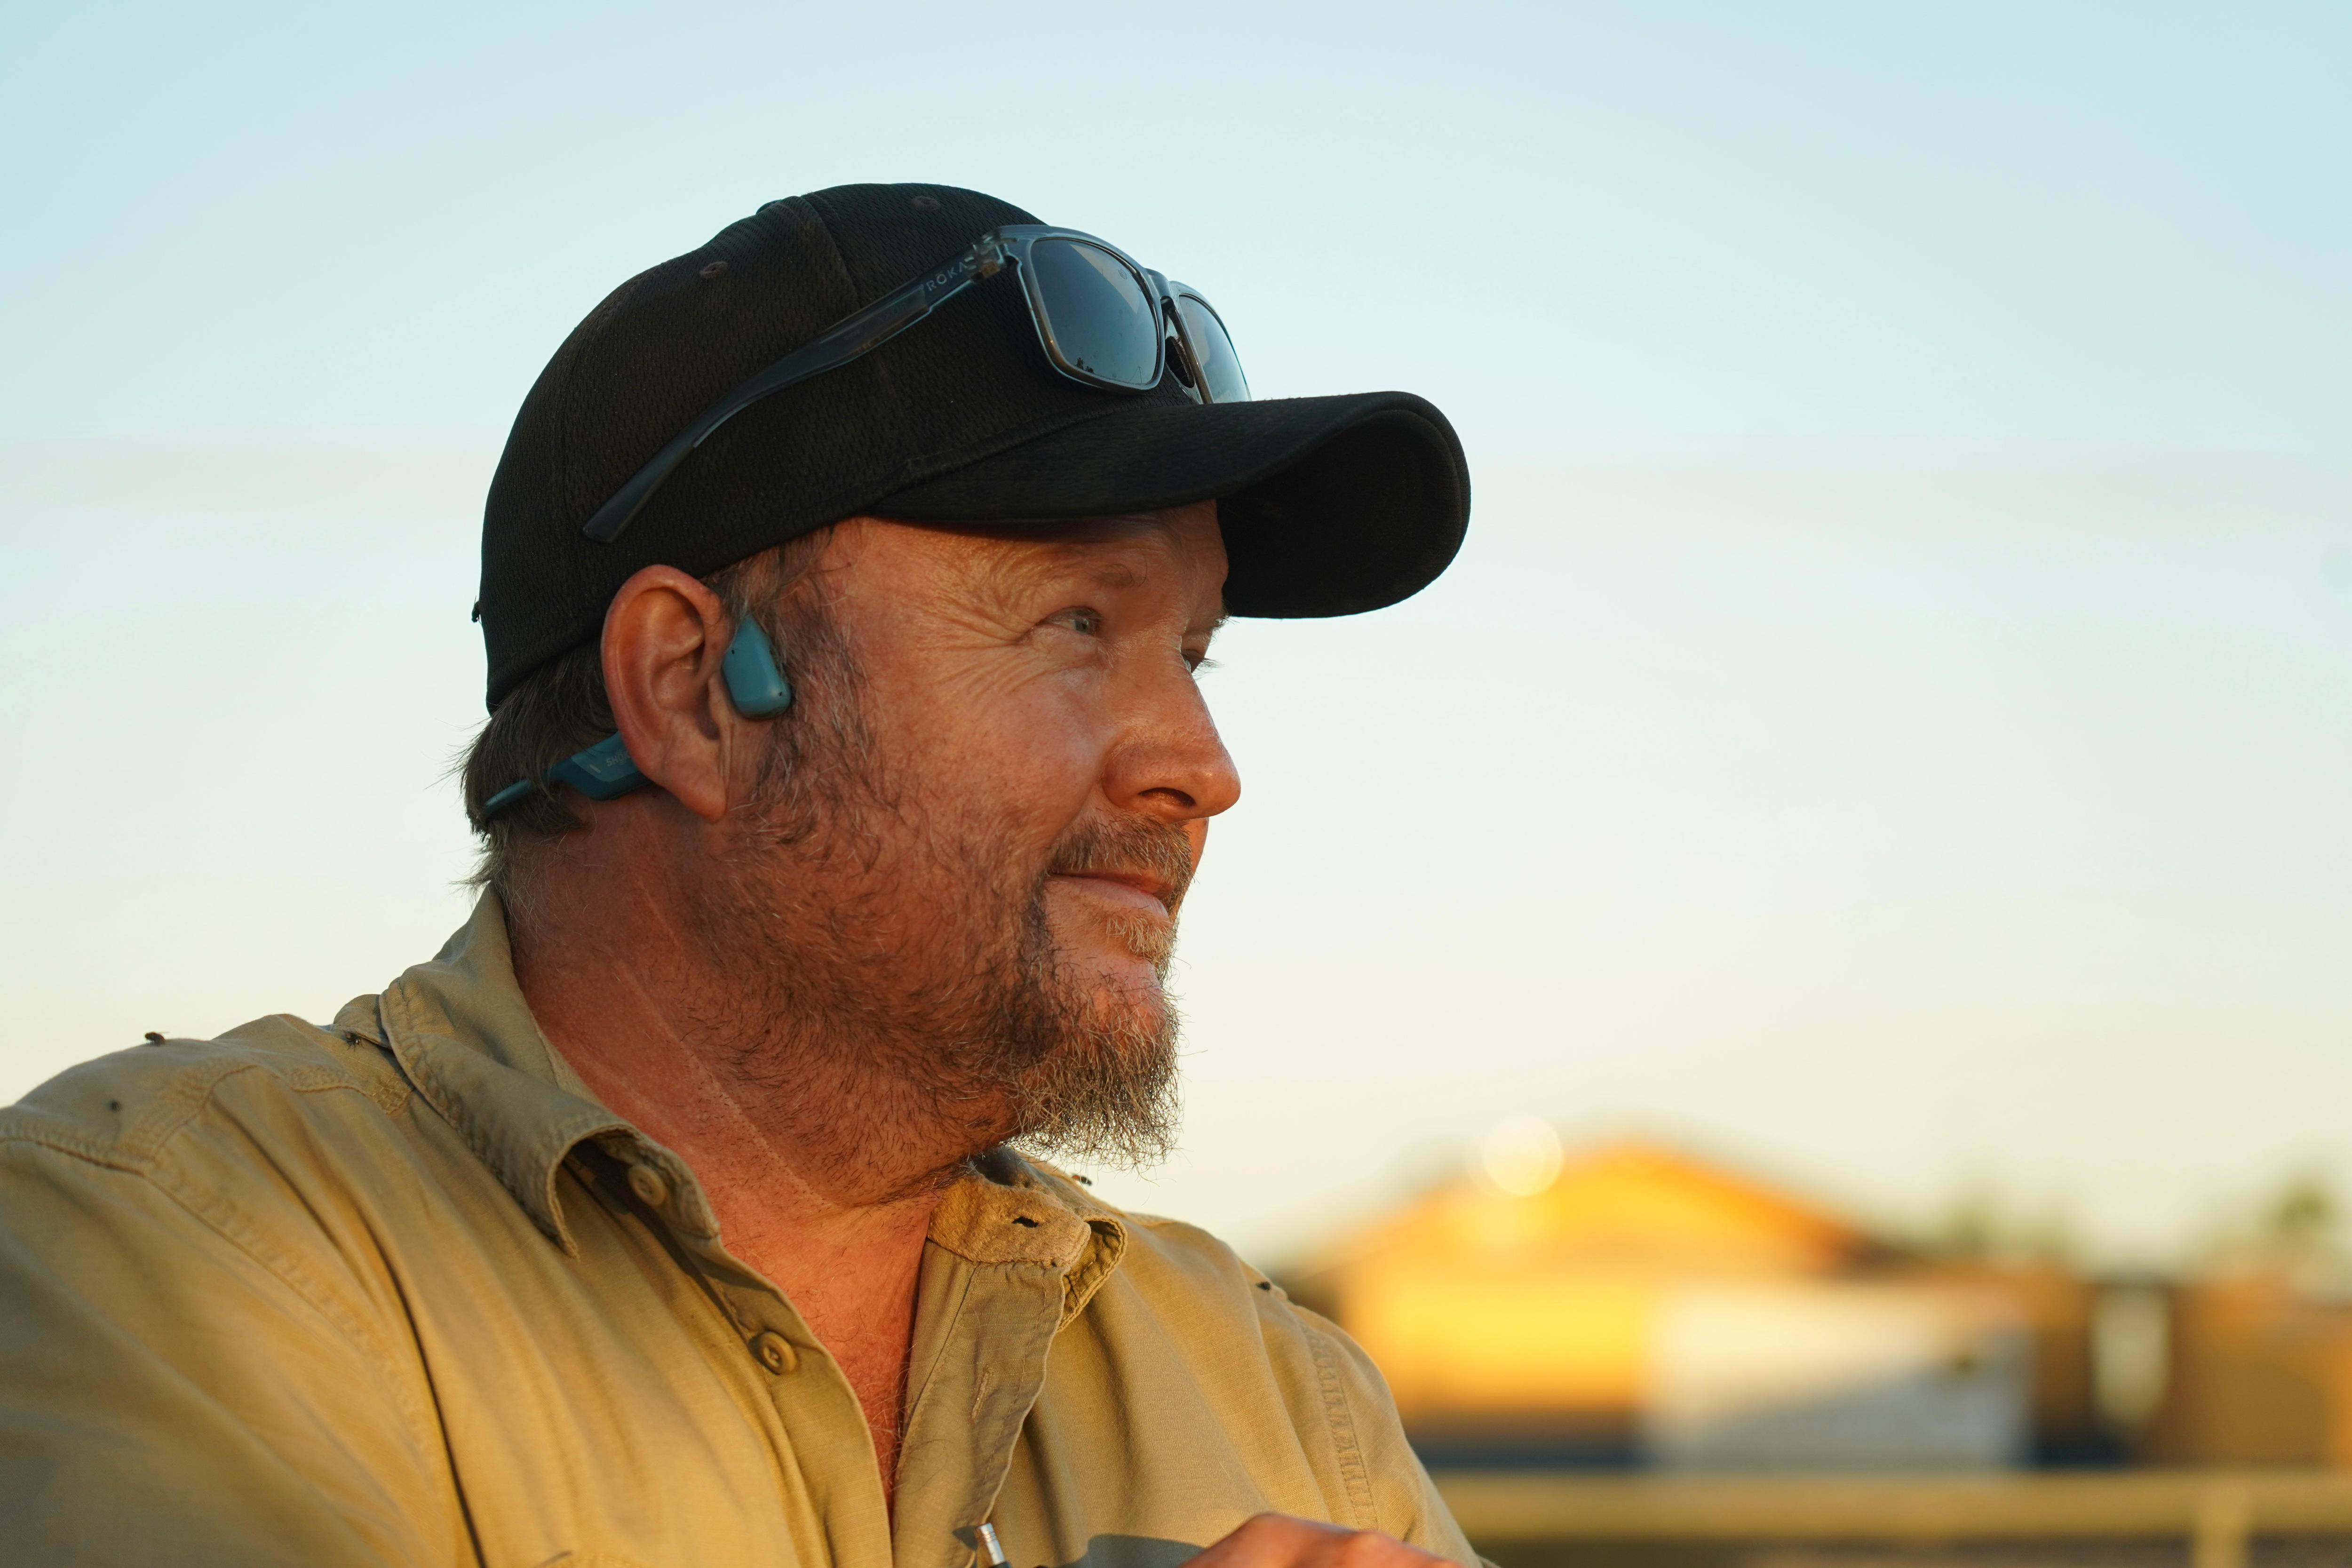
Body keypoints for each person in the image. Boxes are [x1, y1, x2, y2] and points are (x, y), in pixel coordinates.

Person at [0, 183, 1475, 1568]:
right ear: (696, 685)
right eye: (1077, 624)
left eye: (1195, 652)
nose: (1202, 767)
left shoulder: (1276, 1396)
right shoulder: (159, 1256)